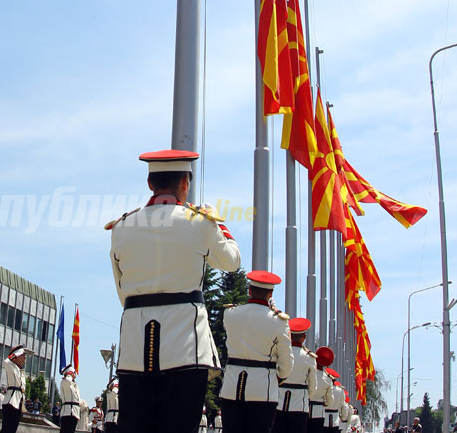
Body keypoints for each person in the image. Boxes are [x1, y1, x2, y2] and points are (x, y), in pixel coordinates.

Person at [108, 148, 241, 433]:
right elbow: (231, 261)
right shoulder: (199, 223)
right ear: (185, 183)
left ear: (150, 184)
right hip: (185, 346)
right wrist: (218, 223)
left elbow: (122, 289)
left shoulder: (122, 227)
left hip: (135, 344)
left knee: (135, 426)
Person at [219, 270, 294, 433]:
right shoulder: (279, 321)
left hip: (232, 386)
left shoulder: (230, 314)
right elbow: (286, 363)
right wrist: (280, 377)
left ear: (249, 290)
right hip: (263, 390)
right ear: (271, 293)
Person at [272, 318, 317, 432]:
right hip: (299, 404)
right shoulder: (309, 358)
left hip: (278, 400)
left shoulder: (281, 351)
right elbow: (312, 385)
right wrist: (308, 396)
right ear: (304, 337)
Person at [0, 345, 28, 433]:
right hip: (10, 402)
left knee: (12, 429)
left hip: (18, 402)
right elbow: (6, 361)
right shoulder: (11, 366)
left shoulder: (21, 371)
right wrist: (13, 355)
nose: (25, 357)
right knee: (6, 429)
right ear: (16, 356)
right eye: (22, 355)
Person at [308, 348, 335, 433]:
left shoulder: (309, 371)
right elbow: (329, 401)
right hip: (318, 412)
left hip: (303, 407)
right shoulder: (328, 379)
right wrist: (324, 403)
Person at [60, 366, 85, 433]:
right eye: (73, 373)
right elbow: (68, 381)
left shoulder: (74, 385)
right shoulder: (64, 382)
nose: (75, 375)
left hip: (74, 412)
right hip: (67, 412)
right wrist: (69, 375)